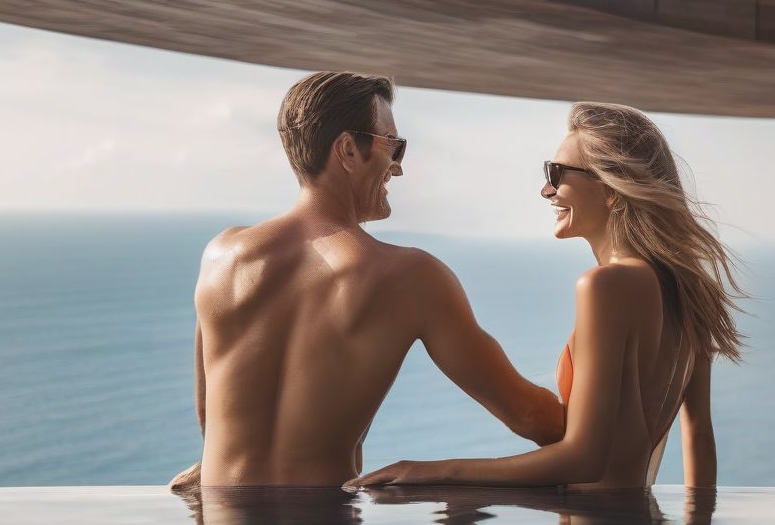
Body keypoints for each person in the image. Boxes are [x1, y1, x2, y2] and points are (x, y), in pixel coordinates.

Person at [169, 71, 563, 489]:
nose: (398, 168)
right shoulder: (410, 277)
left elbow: (211, 420)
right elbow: (531, 417)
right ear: (348, 152)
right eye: (394, 147)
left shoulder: (220, 256)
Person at [346, 101, 743, 491]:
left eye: (556, 173)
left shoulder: (605, 286)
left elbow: (583, 459)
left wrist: (436, 471)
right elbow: (699, 439)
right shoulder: (687, 287)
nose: (545, 190)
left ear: (610, 188)